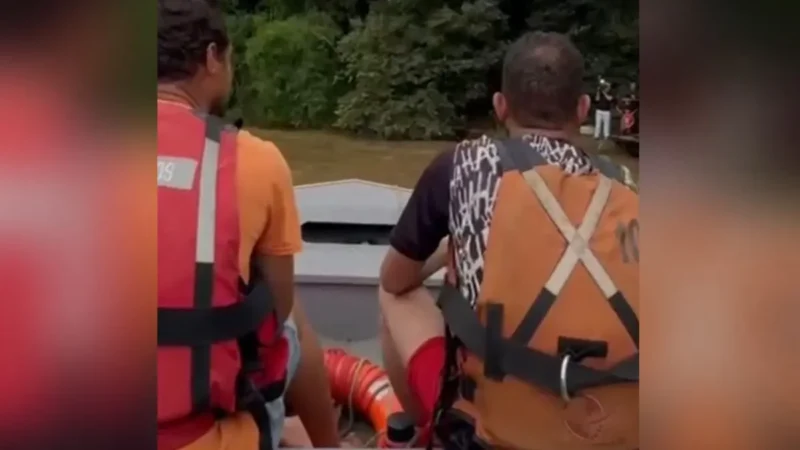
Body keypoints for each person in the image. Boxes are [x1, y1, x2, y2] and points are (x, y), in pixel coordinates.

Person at [378, 31, 639, 450]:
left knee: (393, 295)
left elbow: (395, 278)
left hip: (495, 435)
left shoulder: (461, 167)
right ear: (583, 109)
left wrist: (450, 251)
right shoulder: (625, 185)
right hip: (617, 430)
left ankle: (431, 431)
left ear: (500, 106)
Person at [157, 1, 340, 449]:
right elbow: (277, 309)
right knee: (290, 321)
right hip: (199, 435)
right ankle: (325, 444)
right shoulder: (256, 160)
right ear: (212, 57)